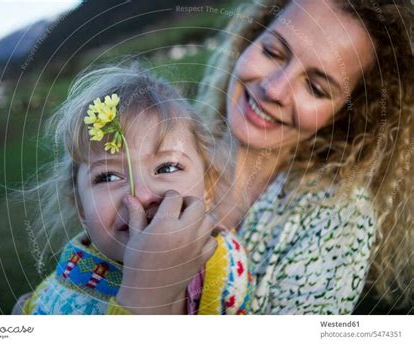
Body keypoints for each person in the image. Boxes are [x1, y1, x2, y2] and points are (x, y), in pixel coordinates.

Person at [113, 0, 412, 314]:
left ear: (347, 113)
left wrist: (145, 296)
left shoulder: (338, 221)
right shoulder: (160, 152)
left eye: (315, 87)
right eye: (272, 52)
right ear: (251, 38)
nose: (274, 90)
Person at [13, 65, 253, 315]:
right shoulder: (58, 308)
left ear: (208, 186)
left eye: (168, 167)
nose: (140, 195)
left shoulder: (228, 260)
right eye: (108, 176)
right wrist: (144, 298)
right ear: (81, 208)